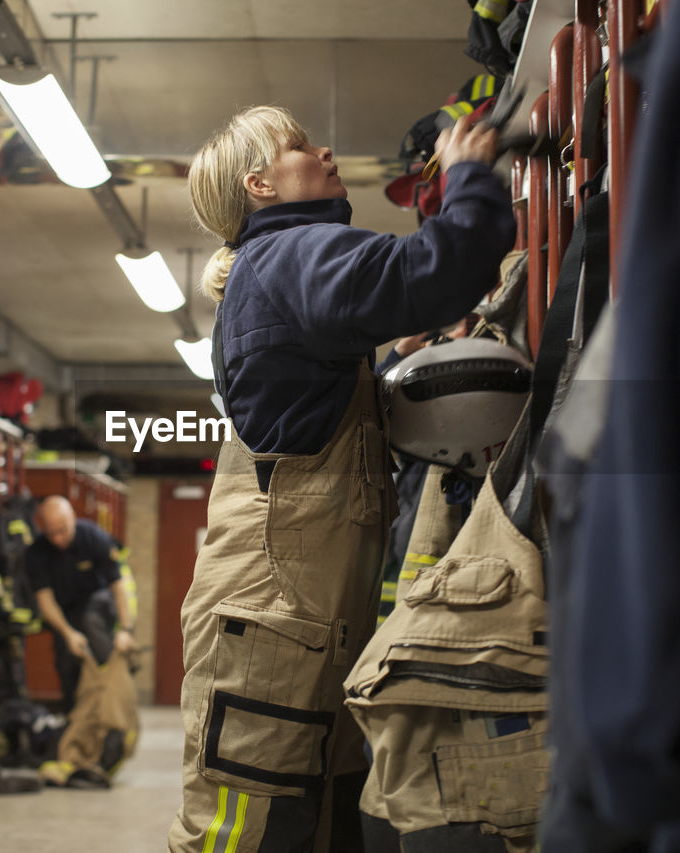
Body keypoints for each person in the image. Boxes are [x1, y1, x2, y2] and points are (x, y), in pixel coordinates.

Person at [169, 105, 514, 852]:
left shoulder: (272, 271)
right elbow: (438, 272)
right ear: (260, 184)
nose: (323, 151)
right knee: (242, 833)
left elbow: (312, 420)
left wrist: (393, 364)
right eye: (298, 147)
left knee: (304, 825)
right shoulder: (291, 254)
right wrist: (469, 177)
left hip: (292, 630)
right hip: (276, 631)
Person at [25, 496, 135, 707]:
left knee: (90, 619)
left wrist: (126, 630)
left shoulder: (95, 538)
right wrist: (68, 634)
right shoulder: (36, 553)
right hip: (64, 613)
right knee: (66, 664)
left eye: (63, 530)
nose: (58, 539)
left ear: (73, 519)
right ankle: (75, 718)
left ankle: (114, 706)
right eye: (52, 533)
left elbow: (118, 587)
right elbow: (45, 599)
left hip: (99, 605)